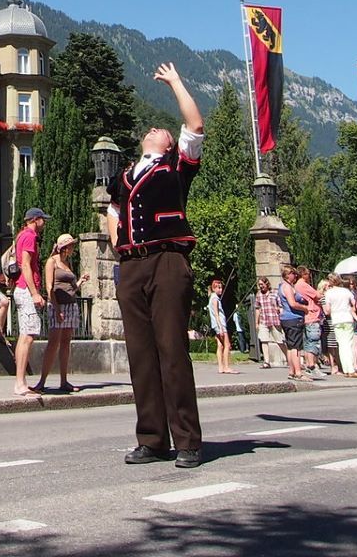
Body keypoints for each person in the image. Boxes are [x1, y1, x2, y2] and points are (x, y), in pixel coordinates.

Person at [108, 62, 206, 468]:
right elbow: (113, 206)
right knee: (141, 354)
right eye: (148, 130)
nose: (153, 130)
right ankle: (151, 438)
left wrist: (176, 82)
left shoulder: (177, 167)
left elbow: (196, 123)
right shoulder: (125, 174)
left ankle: (187, 441)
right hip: (131, 265)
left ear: (169, 144)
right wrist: (116, 239)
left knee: (171, 349)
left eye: (160, 131)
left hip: (168, 260)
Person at [10, 207, 48, 397]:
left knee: (24, 336)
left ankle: (21, 381)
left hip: (22, 288)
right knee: (28, 336)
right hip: (26, 289)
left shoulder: (22, 235)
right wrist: (34, 293)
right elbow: (25, 264)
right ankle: (20, 384)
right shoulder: (29, 236)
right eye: (43, 219)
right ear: (35, 220)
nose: (45, 223)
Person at [36, 234, 81, 392]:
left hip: (70, 305)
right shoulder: (52, 261)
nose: (72, 248)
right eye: (70, 246)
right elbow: (49, 287)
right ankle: (42, 381)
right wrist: (56, 309)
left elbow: (73, 288)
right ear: (64, 247)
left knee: (65, 343)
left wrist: (80, 282)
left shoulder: (68, 263)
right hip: (58, 306)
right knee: (53, 343)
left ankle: (64, 381)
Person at [322, 274, 357, 378]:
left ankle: (346, 369)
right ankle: (351, 369)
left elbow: (328, 310)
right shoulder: (346, 292)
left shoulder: (328, 293)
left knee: (342, 345)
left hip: (337, 320)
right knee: (349, 344)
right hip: (347, 318)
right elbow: (353, 304)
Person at [292, 265, 325, 378]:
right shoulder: (303, 285)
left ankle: (308, 364)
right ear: (304, 274)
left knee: (307, 343)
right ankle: (312, 365)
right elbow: (318, 295)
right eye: (307, 274)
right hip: (312, 316)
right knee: (313, 342)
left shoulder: (297, 286)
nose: (309, 276)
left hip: (306, 317)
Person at [208, 278, 238, 373]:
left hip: (217, 325)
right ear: (214, 288)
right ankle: (226, 367)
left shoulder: (212, 298)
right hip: (220, 325)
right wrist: (220, 327)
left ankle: (221, 367)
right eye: (218, 288)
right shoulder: (215, 299)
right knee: (227, 345)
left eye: (221, 288)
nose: (220, 290)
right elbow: (216, 314)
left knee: (220, 345)